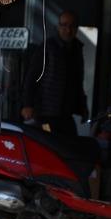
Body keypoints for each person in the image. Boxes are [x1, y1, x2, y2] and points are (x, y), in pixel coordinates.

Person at [21, 10, 88, 138]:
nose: (68, 30)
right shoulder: (47, 48)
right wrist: (27, 104)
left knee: (69, 144)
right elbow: (31, 77)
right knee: (48, 142)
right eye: (64, 25)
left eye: (72, 26)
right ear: (58, 27)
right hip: (45, 112)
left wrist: (83, 108)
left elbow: (78, 82)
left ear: (76, 28)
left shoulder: (76, 50)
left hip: (65, 113)